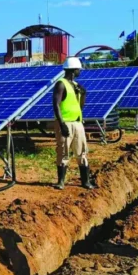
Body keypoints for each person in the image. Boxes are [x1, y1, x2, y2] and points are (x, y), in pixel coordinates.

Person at [53, 57, 94, 190]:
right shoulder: (61, 84)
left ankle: (85, 181)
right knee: (63, 152)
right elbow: (56, 105)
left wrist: (83, 94)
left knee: (81, 152)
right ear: (73, 70)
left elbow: (79, 106)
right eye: (78, 69)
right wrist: (62, 124)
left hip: (77, 123)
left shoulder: (76, 86)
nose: (80, 72)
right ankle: (61, 182)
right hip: (65, 123)